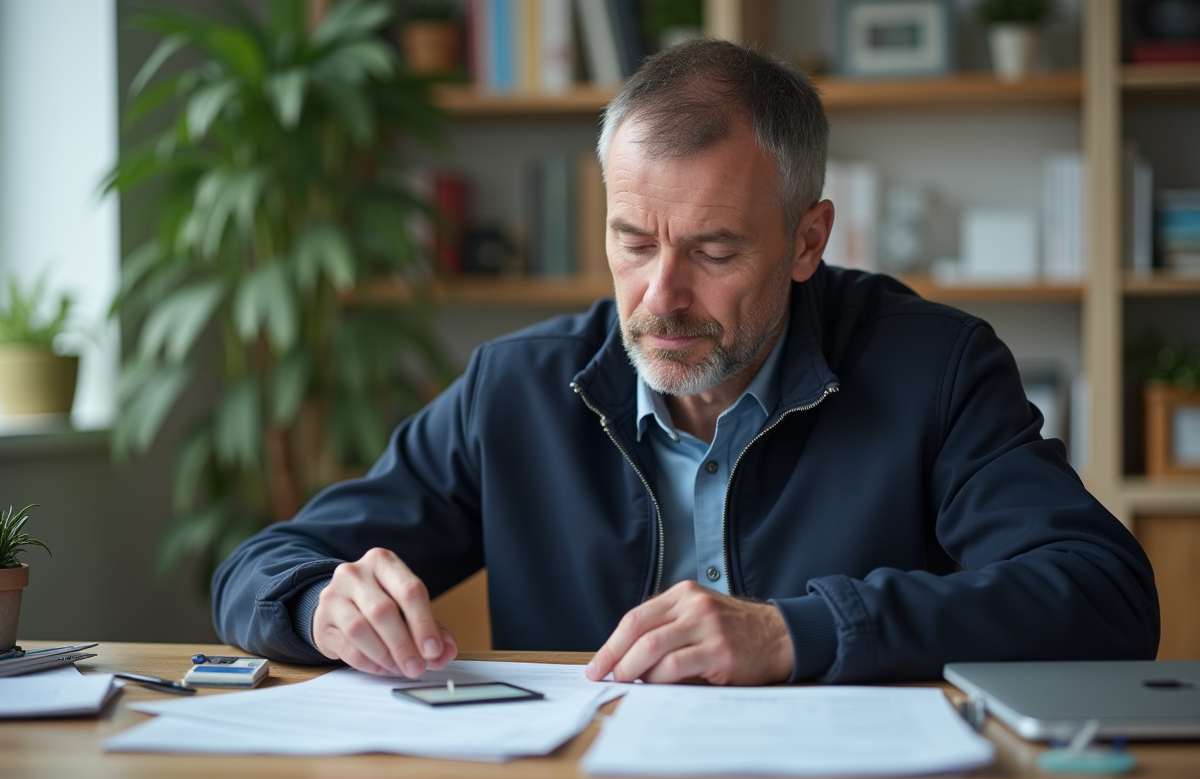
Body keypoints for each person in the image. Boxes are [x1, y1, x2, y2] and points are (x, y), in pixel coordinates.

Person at [212, 40, 1159, 686]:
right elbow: (259, 567)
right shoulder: (517, 388)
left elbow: (1104, 594)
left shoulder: (935, 369)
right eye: (632, 241)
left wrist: (795, 633)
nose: (659, 298)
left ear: (805, 239)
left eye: (713, 252)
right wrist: (318, 604)